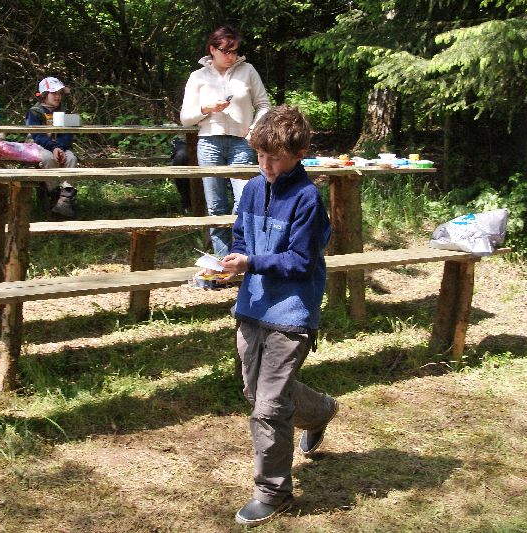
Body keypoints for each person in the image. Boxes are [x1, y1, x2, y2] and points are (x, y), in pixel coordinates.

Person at [220, 105, 338, 526]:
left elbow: (301, 262)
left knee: (269, 406)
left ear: (300, 154)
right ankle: (321, 411)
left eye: (275, 158)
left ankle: (273, 492)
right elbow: (240, 235)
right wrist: (229, 263)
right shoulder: (254, 188)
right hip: (252, 306)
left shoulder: (307, 199)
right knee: (256, 393)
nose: (266, 165)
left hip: (291, 312)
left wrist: (251, 263)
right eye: (260, 156)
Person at [178, 25, 270, 254]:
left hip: (242, 143)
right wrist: (206, 108)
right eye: (226, 51)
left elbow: (264, 105)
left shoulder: (248, 70)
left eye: (235, 51)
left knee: (245, 199)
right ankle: (222, 260)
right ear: (212, 49)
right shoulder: (198, 76)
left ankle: (241, 255)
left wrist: (253, 131)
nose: (231, 56)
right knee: (216, 205)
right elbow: (185, 118)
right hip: (209, 143)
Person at [26, 77, 78, 218]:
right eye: (54, 93)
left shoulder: (64, 112)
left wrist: (60, 148)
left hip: (61, 147)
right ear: (44, 94)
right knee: (48, 159)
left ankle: (65, 198)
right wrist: (53, 148)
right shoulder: (34, 112)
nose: (57, 96)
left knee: (72, 158)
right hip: (40, 146)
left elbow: (67, 134)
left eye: (60, 93)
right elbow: (38, 136)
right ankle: (53, 194)